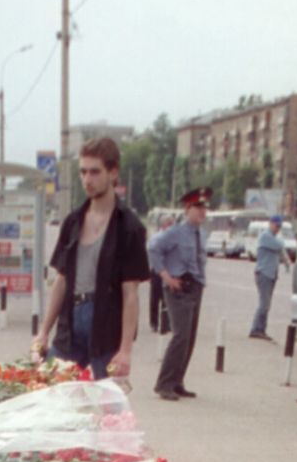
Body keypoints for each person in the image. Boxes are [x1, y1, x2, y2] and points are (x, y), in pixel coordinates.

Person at [31, 136, 148, 379]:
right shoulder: (73, 222)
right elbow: (60, 281)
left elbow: (130, 295)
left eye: (95, 172)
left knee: (111, 405)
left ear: (113, 172)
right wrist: (43, 332)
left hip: (105, 326)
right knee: (52, 394)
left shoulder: (129, 227)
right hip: (70, 323)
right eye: (83, 172)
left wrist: (126, 350)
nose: (87, 180)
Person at [148, 187, 211, 400]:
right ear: (188, 208)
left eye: (205, 207)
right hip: (179, 287)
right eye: (198, 207)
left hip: (196, 286)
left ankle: (177, 381)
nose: (203, 212)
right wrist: (165, 277)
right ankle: (163, 383)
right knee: (180, 336)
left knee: (190, 337)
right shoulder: (175, 232)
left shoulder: (200, 233)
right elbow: (153, 248)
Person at [248, 211, 290, 340]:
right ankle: (256, 329)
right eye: (276, 226)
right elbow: (280, 246)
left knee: (267, 304)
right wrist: (285, 256)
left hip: (271, 274)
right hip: (264, 273)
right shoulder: (265, 236)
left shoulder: (273, 238)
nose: (278, 229)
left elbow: (282, 251)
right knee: (264, 304)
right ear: (270, 224)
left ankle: (261, 329)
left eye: (279, 227)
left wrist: (287, 260)